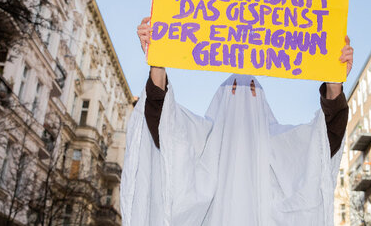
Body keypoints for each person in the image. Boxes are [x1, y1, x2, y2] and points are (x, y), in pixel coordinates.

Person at [120, 17, 353, 226]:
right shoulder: (202, 142)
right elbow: (165, 129)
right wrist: (158, 63)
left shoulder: (281, 147)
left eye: (252, 88)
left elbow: (321, 147)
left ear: (263, 103)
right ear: (219, 100)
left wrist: (334, 83)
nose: (242, 98)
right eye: (233, 88)